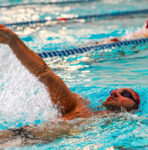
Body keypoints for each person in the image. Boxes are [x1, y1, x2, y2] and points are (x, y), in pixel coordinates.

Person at [0, 24, 140, 147]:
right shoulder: (79, 106)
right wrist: (13, 41)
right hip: (19, 137)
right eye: (114, 91)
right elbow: (46, 74)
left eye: (125, 94)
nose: (115, 93)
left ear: (135, 106)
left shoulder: (127, 124)